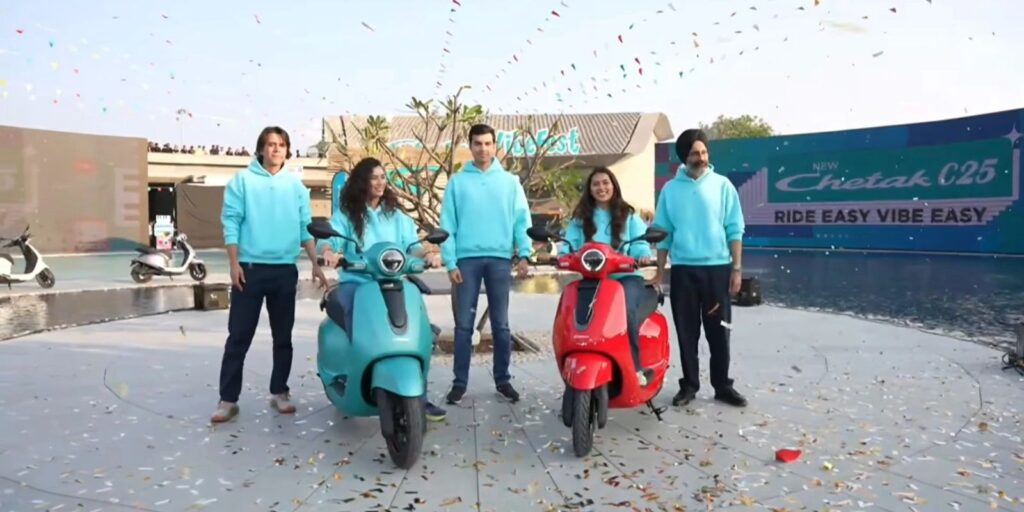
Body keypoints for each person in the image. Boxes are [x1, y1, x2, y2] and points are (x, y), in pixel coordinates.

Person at [211, 126, 328, 423]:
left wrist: (315, 262)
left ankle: (280, 392)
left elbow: (305, 228)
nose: (276, 149)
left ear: (287, 150)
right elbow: (231, 223)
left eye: (281, 145)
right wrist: (233, 263)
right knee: (239, 336)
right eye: (270, 144)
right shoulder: (242, 181)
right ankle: (227, 399)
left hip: (284, 271)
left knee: (283, 337)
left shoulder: (296, 187)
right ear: (261, 149)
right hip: (249, 270)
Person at [320, 157, 448, 422]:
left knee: (422, 328)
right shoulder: (346, 216)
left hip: (395, 281)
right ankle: (348, 374)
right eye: (373, 178)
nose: (380, 183)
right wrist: (331, 252)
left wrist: (427, 254)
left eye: (382, 177)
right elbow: (331, 241)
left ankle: (418, 396)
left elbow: (412, 244)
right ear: (361, 183)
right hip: (357, 283)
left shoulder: (396, 215)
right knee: (352, 323)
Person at [652, 128, 747, 408]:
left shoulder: (723, 185)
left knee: (719, 332)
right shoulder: (670, 190)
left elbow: (735, 229)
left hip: (717, 270)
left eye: (704, 151)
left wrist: (737, 269)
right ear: (684, 157)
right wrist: (659, 271)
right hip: (683, 271)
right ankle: (689, 385)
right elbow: (662, 233)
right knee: (686, 332)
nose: (701, 157)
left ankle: (722, 386)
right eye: (695, 153)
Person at [440, 123, 532, 405]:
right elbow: (447, 225)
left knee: (501, 325)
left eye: (488, 143)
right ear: (470, 146)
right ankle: (459, 382)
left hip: (500, 260)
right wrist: (449, 261)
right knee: (464, 325)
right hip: (466, 260)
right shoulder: (457, 182)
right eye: (477, 143)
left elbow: (521, 219)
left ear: (495, 146)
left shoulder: (509, 182)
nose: (483, 148)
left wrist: (525, 253)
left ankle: (503, 380)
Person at [560, 167, 656, 385]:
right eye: (596, 184)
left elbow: (640, 242)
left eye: (605, 183)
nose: (601, 188)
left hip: (625, 278)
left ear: (613, 185)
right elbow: (568, 244)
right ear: (590, 189)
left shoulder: (628, 215)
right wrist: (562, 255)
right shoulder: (579, 219)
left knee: (625, 311)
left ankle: (635, 366)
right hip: (592, 278)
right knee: (573, 314)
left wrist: (641, 256)